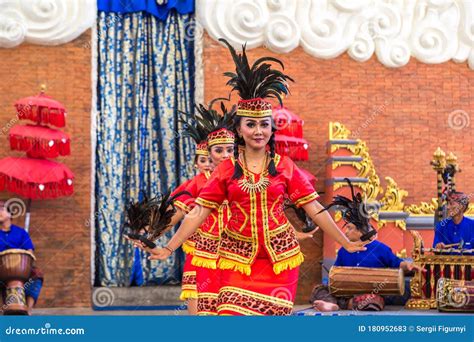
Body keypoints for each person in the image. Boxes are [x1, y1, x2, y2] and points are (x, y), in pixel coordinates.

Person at [143, 39, 368, 315]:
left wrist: (344, 241)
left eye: (264, 124)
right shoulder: (226, 170)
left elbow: (316, 210)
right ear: (239, 129)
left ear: (271, 130)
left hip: (279, 262)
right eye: (251, 124)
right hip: (237, 259)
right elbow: (197, 213)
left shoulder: (284, 166)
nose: (258, 130)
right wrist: (168, 247)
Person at [309, 180, 423, 311]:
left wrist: (408, 266)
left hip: (371, 293)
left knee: (373, 299)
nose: (345, 232)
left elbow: (397, 263)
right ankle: (340, 303)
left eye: (349, 228)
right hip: (346, 292)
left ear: (360, 230)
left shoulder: (381, 249)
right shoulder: (343, 251)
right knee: (319, 290)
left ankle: (341, 305)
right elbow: (335, 274)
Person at [0, 201, 43, 315]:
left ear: (10, 214)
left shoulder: (21, 232)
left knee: (37, 274)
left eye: (1, 208)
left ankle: (28, 310)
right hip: (1, 269)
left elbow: (30, 251)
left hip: (21, 268)